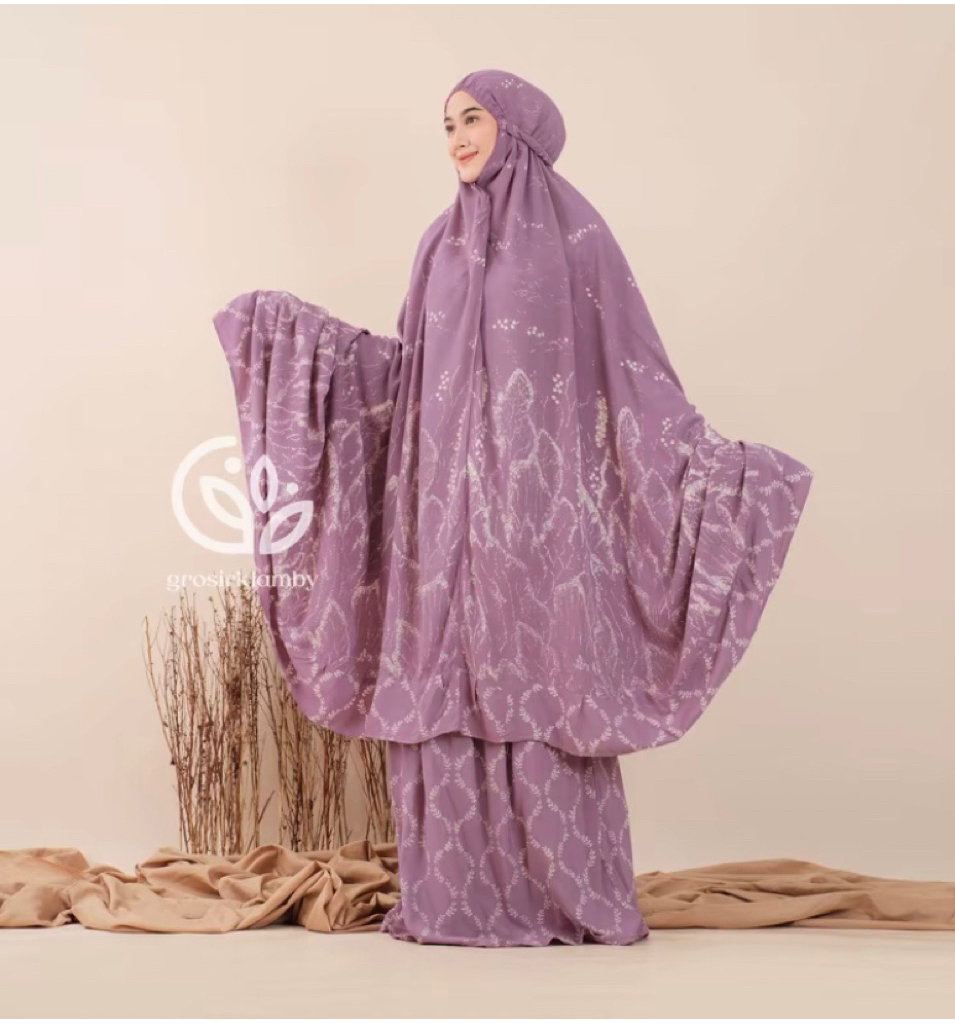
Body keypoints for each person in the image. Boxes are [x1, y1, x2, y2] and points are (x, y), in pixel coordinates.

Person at [213, 69, 814, 947]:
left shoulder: (579, 240)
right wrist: (305, 346)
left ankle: (565, 896)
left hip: (538, 512)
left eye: (473, 120)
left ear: (517, 128)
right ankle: (451, 900)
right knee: (445, 678)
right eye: (447, 125)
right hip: (437, 514)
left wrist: (712, 469)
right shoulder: (438, 244)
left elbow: (632, 374)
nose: (457, 138)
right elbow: (412, 375)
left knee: (540, 673)